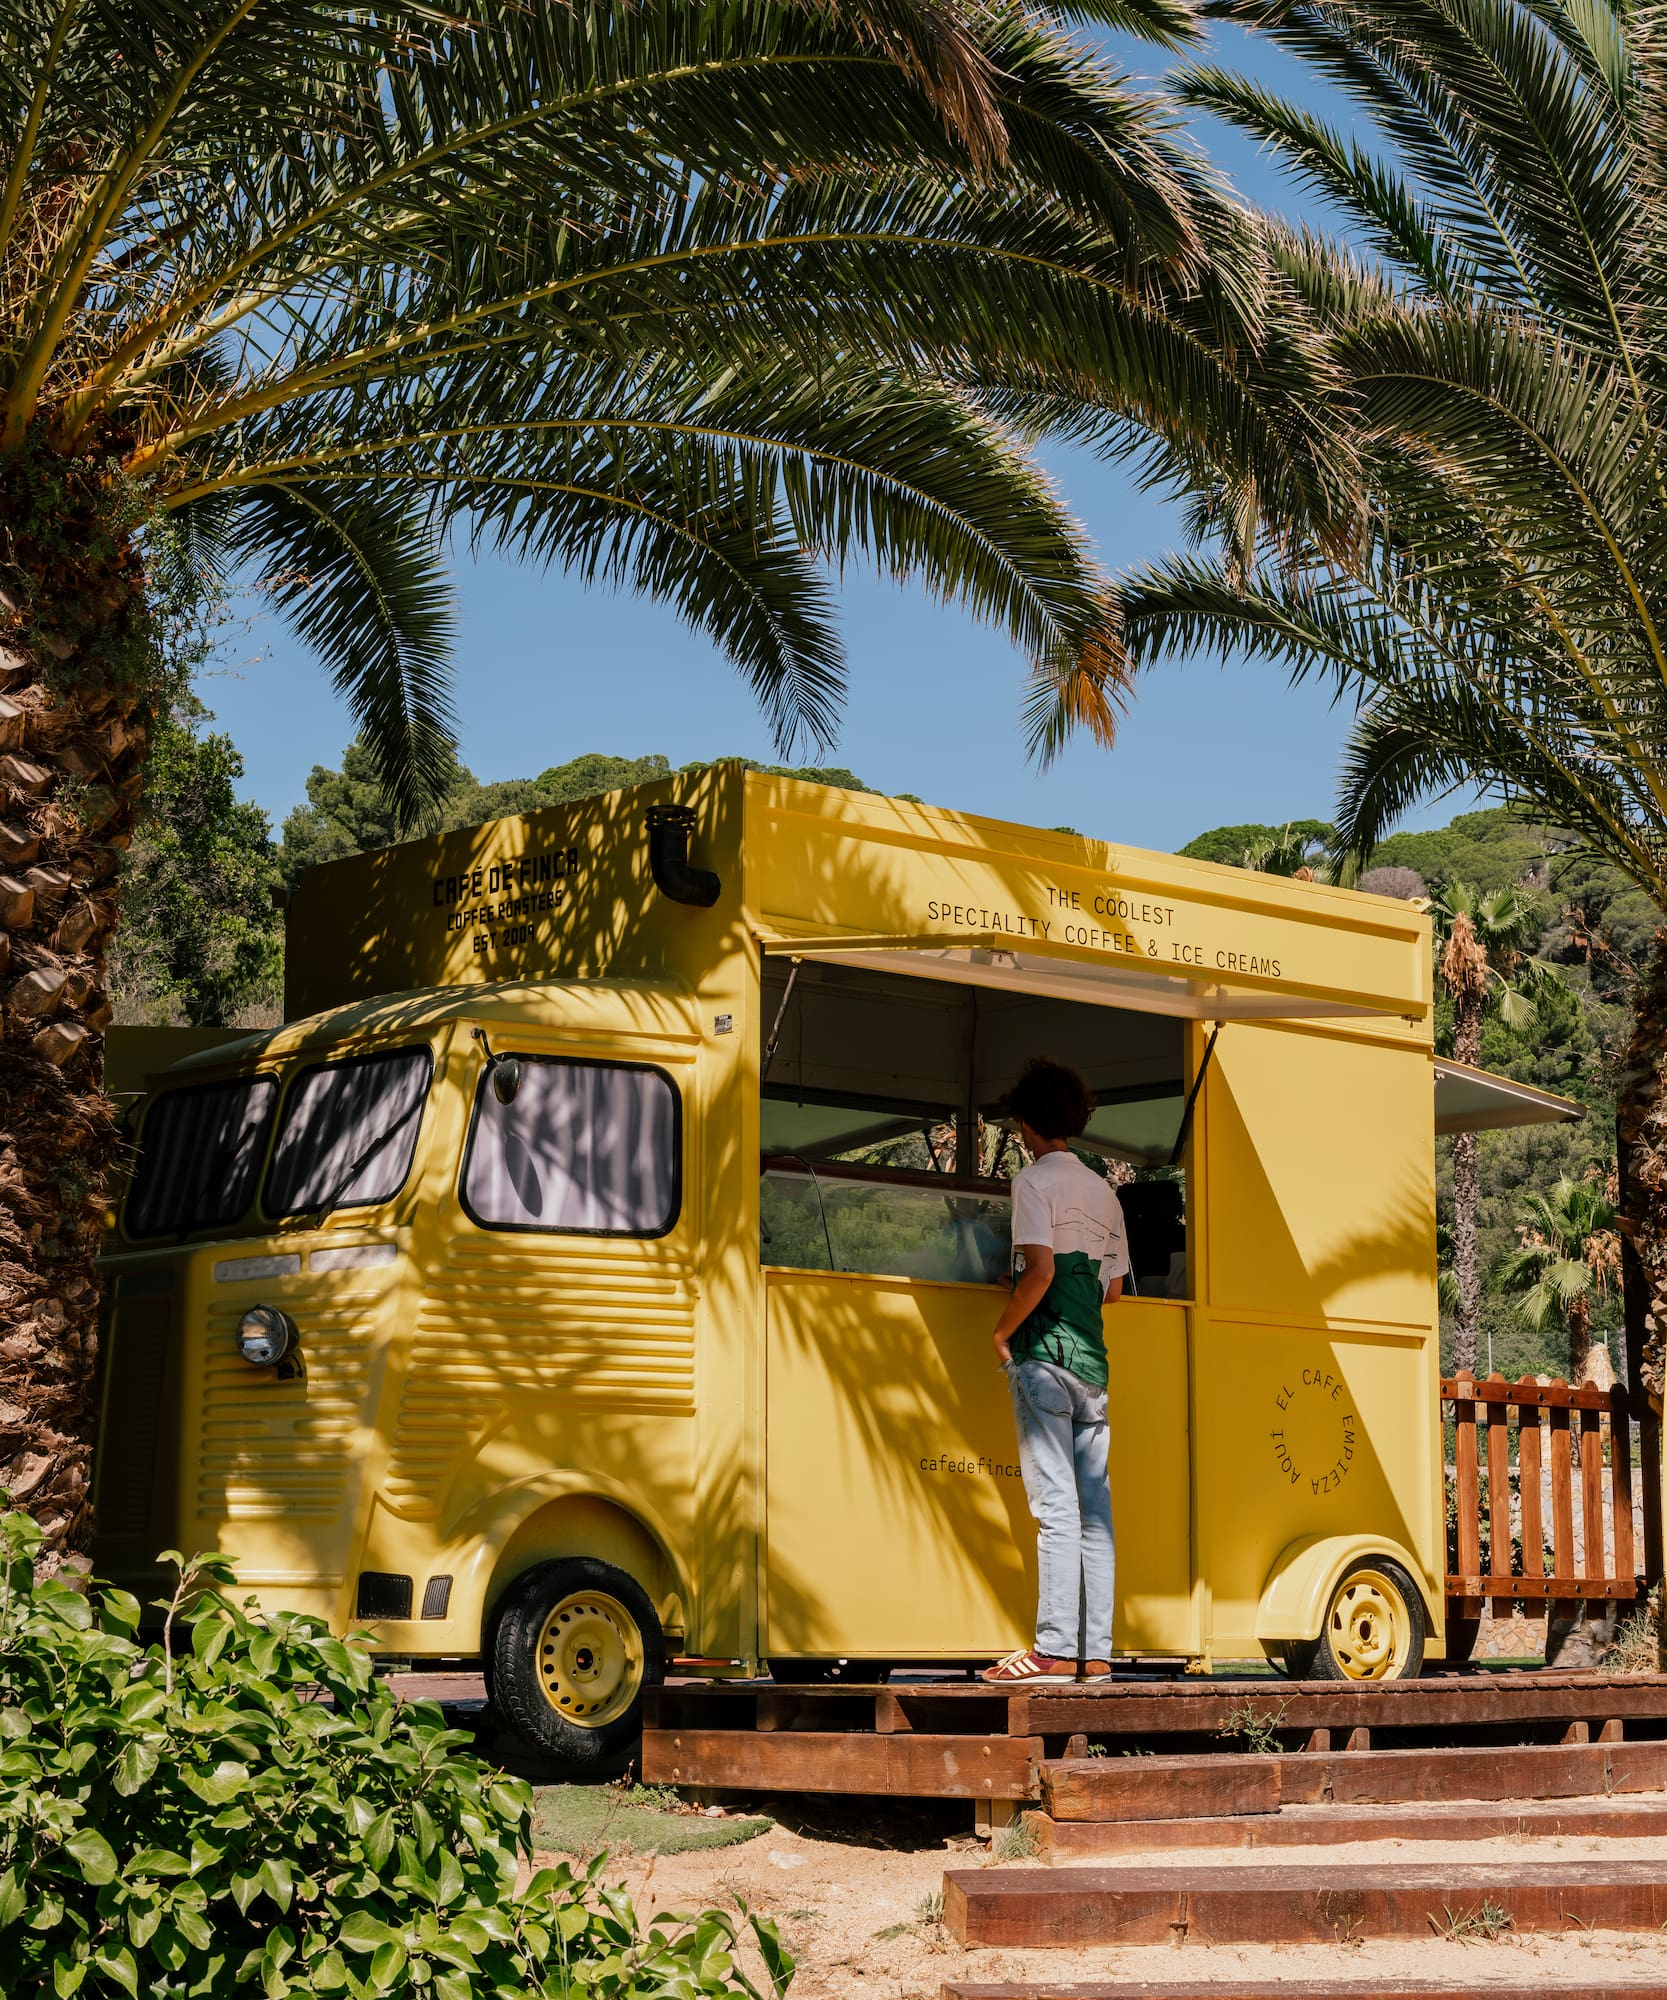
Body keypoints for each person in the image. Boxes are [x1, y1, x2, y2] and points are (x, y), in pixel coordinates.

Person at [981, 1059, 1129, 1684]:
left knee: (1056, 1509)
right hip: (1093, 1368)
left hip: (1044, 1358)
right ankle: (1095, 1654)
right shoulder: (1104, 1191)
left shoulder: (1033, 1182)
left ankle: (1050, 1651)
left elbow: (1039, 1269)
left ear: (1025, 1124)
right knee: (1094, 1512)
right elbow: (1113, 1289)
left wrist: (1003, 1330)